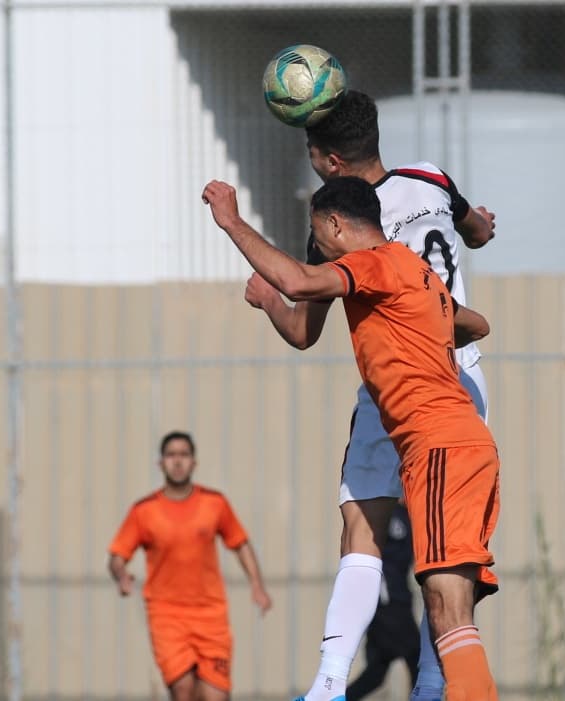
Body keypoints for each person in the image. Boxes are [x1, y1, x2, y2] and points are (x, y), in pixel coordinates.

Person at [202, 175, 500, 701]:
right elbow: (476, 325)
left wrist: (231, 221)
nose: (317, 247)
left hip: (439, 446)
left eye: (317, 233)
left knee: (448, 608)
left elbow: (297, 282)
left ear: (336, 224)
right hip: (461, 443)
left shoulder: (374, 264)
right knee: (446, 603)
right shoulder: (418, 273)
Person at [108, 430, 272, 701]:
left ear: (194, 462)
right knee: (183, 689)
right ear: (161, 463)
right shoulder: (144, 511)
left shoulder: (214, 503)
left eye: (184, 455)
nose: (177, 461)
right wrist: (122, 576)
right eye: (171, 455)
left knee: (215, 695)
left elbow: (240, 543)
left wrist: (258, 585)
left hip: (210, 615)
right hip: (166, 615)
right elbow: (117, 556)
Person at [347, 502, 420, 701]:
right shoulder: (390, 514)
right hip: (388, 601)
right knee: (416, 656)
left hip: (394, 597)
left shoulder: (406, 514)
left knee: (376, 672)